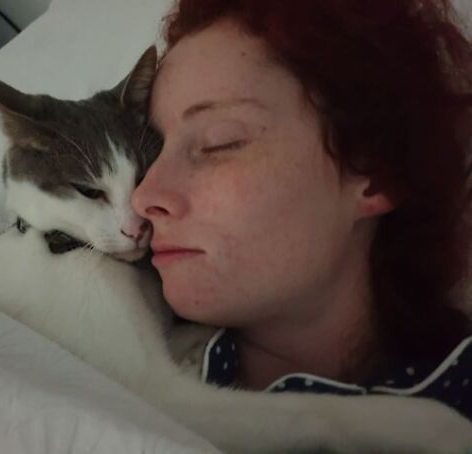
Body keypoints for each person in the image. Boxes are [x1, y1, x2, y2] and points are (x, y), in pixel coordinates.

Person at [131, 0, 472, 419]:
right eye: (150, 153)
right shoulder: (86, 368)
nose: (143, 196)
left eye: (219, 143)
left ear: (375, 174)